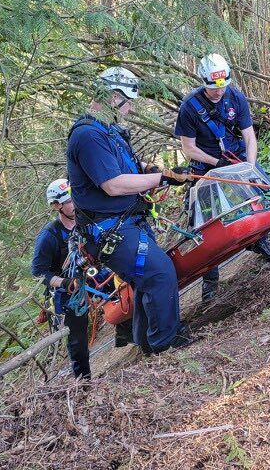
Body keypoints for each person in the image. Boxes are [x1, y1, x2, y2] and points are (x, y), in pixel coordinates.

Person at [67, 66, 193, 355]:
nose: (131, 109)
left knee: (147, 277)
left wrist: (157, 171)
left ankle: (149, 340)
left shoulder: (108, 131)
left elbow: (127, 168)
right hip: (112, 230)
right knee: (159, 273)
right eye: (128, 102)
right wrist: (162, 179)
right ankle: (164, 343)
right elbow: (113, 184)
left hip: (126, 223)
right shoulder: (88, 136)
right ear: (113, 97)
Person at [174, 53, 270, 302]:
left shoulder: (235, 97)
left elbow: (249, 136)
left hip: (237, 159)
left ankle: (261, 242)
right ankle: (210, 281)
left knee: (264, 196)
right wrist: (216, 163)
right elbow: (188, 147)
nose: (218, 92)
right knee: (203, 222)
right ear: (203, 82)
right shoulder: (190, 107)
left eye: (222, 86)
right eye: (213, 88)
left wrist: (251, 168)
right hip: (206, 166)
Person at [32, 179, 133, 378]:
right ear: (56, 206)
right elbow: (39, 272)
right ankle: (83, 380)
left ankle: (128, 333)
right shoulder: (50, 236)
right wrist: (64, 283)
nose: (75, 203)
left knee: (123, 295)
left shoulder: (87, 220)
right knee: (77, 337)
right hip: (67, 286)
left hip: (93, 273)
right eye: (69, 200)